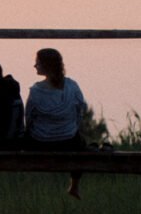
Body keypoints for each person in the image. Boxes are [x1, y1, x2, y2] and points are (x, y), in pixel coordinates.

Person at [25, 46, 95, 198]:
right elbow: (79, 112)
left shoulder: (36, 90)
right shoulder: (72, 87)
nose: (35, 66)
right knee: (81, 145)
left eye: (37, 62)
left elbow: (29, 117)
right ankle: (74, 185)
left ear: (46, 65)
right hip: (68, 140)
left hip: (40, 142)